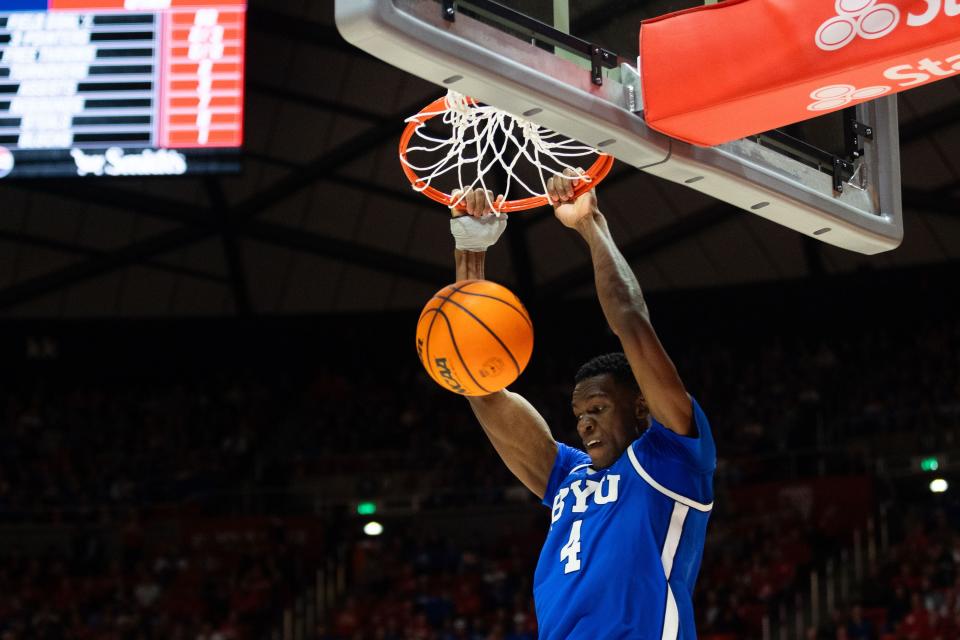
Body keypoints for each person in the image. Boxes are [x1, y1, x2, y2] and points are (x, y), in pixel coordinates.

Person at [448, 170, 716, 639]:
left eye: (597, 409)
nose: (585, 425)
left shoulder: (671, 459)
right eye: (578, 416)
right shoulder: (567, 476)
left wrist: (591, 225)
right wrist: (471, 247)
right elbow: (480, 386)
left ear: (640, 408)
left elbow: (630, 320)